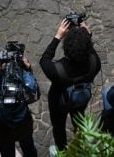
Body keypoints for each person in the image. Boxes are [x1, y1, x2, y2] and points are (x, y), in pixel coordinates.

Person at [39, 19, 101, 152]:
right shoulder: (95, 63)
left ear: (65, 48)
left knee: (59, 126)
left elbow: (44, 60)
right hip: (80, 99)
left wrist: (58, 36)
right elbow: (91, 51)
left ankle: (62, 151)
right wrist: (87, 36)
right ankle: (80, 140)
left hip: (59, 102)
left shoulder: (57, 71)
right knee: (79, 118)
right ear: (87, 46)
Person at [0, 61, 38, 157]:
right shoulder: (17, 94)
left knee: (7, 153)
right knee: (29, 150)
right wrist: (27, 70)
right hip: (23, 129)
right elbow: (32, 92)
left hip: (1, 134)